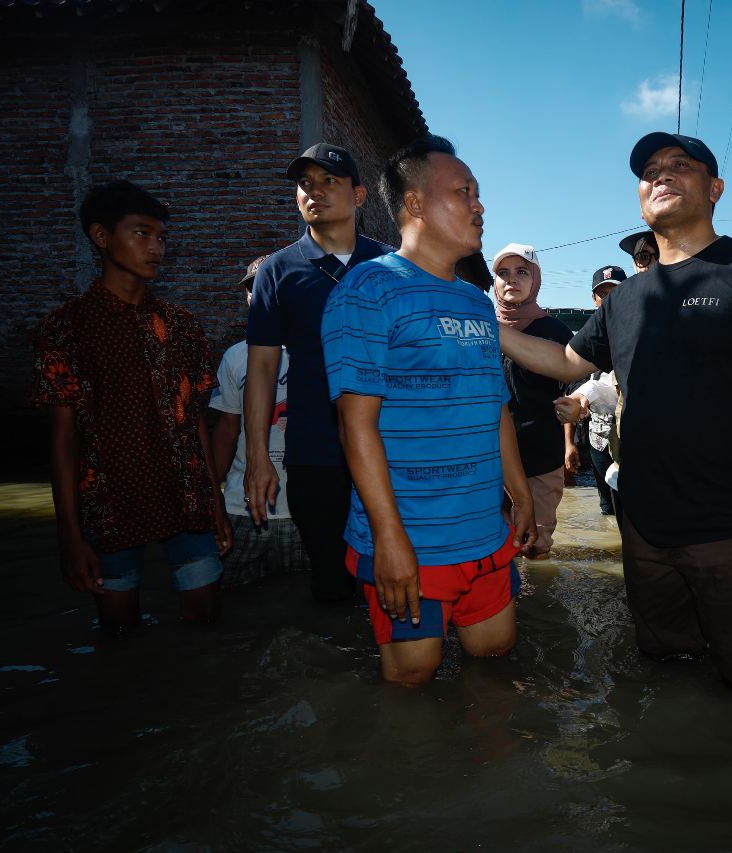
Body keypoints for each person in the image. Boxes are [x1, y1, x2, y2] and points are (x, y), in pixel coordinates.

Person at [498, 132, 732, 689]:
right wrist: (488, 327)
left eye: (681, 165)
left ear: (715, 187)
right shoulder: (628, 296)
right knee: (662, 665)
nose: (661, 176)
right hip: (644, 524)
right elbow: (565, 361)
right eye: (650, 171)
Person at [322, 135, 537, 686]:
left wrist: (520, 495)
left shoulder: (475, 302)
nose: (478, 205)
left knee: (496, 657)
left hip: (483, 532)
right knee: (413, 676)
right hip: (410, 535)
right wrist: (389, 539)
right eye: (464, 192)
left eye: (478, 194)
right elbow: (356, 425)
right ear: (414, 204)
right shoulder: (368, 290)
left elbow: (495, 409)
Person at [31, 180, 231, 634]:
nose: (155, 247)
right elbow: (63, 439)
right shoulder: (65, 330)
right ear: (101, 237)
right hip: (110, 503)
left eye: (161, 237)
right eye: (141, 234)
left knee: (205, 619)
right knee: (118, 632)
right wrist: (70, 534)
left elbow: (194, 418)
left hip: (186, 497)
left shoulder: (181, 326)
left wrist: (214, 505)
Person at [243, 143, 394, 603]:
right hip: (313, 449)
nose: (316, 191)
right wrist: (256, 458)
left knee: (395, 570)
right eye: (306, 183)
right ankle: (338, 668)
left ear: (360, 195)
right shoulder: (276, 271)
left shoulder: (391, 267)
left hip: (390, 445)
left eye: (330, 181)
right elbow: (262, 369)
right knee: (330, 577)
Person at [209, 256, 308, 585]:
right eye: (254, 288)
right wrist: (213, 499)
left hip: (306, 511)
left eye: (272, 287)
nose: (262, 294)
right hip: (244, 508)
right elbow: (225, 431)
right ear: (248, 297)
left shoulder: (315, 352)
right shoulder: (236, 356)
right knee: (234, 607)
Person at [492, 243, 577, 559]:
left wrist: (576, 404)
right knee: (495, 548)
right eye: (503, 273)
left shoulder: (554, 331)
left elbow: (579, 379)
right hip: (489, 459)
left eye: (522, 272)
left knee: (535, 547)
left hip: (541, 456)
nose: (511, 280)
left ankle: (538, 606)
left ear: (536, 279)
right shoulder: (478, 328)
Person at [561, 265, 628, 516]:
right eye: (603, 294)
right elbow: (572, 394)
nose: (609, 300)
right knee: (607, 510)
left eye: (616, 292)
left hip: (635, 440)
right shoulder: (585, 341)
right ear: (594, 299)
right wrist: (569, 443)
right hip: (599, 439)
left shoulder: (643, 330)